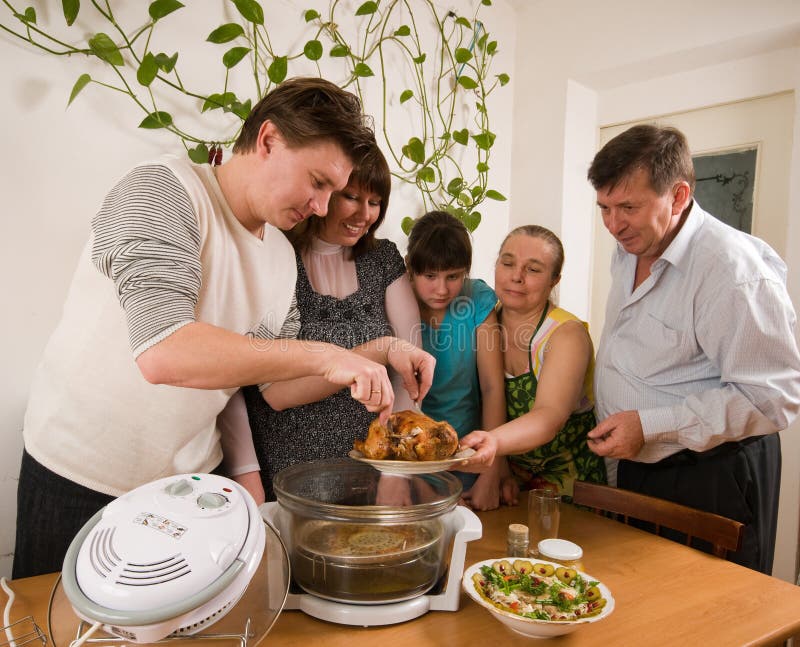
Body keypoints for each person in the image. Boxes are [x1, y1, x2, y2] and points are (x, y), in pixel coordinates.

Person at [13, 77, 434, 579]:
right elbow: (164, 350)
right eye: (318, 182)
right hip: (81, 476)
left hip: (188, 484)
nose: (322, 206)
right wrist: (327, 354)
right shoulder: (163, 190)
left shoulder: (279, 254)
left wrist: (379, 350)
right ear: (269, 140)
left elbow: (276, 388)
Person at [585, 123, 800, 573]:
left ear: (679, 196)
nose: (613, 223)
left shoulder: (732, 272)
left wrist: (651, 424)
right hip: (644, 467)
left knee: (705, 623)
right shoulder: (630, 245)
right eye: (604, 207)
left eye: (628, 206)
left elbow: (774, 399)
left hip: (710, 474)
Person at [222, 144, 424, 502]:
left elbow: (409, 372)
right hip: (288, 466)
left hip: (371, 462)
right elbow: (244, 383)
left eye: (375, 202)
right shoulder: (275, 255)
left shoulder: (383, 260)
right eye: (351, 197)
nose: (364, 214)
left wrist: (396, 467)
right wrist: (245, 472)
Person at [459, 226, 607, 500]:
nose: (516, 276)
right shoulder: (482, 321)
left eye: (533, 270)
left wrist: (494, 445)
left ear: (554, 280)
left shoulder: (566, 335)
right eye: (508, 263)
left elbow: (548, 416)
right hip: (506, 483)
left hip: (569, 488)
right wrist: (497, 468)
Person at [405, 211, 508, 510]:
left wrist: (491, 473)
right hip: (411, 468)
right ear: (411, 268)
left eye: (453, 276)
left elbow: (492, 388)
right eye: (430, 276)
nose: (442, 289)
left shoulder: (476, 298)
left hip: (470, 459)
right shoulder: (395, 299)